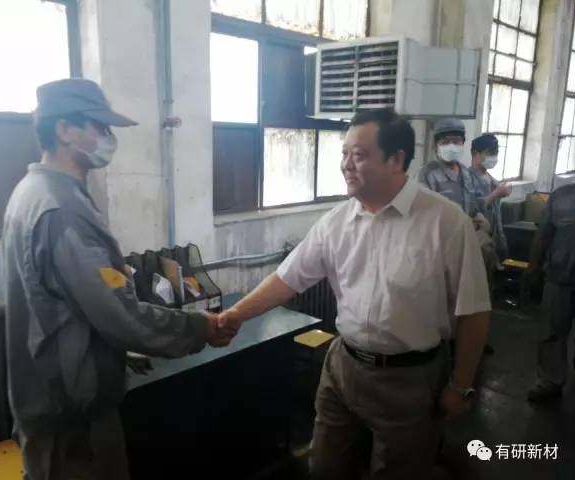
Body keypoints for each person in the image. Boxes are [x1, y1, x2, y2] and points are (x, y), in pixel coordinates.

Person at [217, 109, 491, 480]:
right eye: (344, 153)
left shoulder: (445, 222)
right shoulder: (336, 222)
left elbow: (474, 310)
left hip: (410, 379)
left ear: (396, 160)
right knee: (325, 467)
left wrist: (460, 385)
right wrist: (235, 315)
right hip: (343, 366)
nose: (346, 164)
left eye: (359, 155)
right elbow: (288, 279)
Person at [1, 78, 238, 480]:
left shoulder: (32, 192)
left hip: (50, 404)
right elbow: (120, 315)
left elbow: (65, 306)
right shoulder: (61, 210)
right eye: (98, 126)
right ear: (64, 129)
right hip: (72, 421)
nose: (108, 138)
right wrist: (201, 327)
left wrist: (113, 353)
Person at [527, 181, 575, 402]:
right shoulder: (561, 196)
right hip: (559, 278)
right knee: (552, 332)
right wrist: (533, 266)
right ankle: (550, 380)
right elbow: (543, 234)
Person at [469, 133, 511, 288]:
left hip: (494, 239)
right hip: (477, 242)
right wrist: (495, 194)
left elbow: (496, 214)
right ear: (475, 153)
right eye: (490, 153)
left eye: (496, 153)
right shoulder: (466, 178)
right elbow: (470, 208)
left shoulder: (491, 179)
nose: (494, 157)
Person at [416, 118, 481, 218]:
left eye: (456, 141)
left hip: (465, 227)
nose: (451, 146)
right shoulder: (427, 174)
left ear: (463, 143)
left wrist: (478, 217)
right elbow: (421, 213)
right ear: (436, 145)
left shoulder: (467, 174)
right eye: (445, 142)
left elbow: (473, 208)